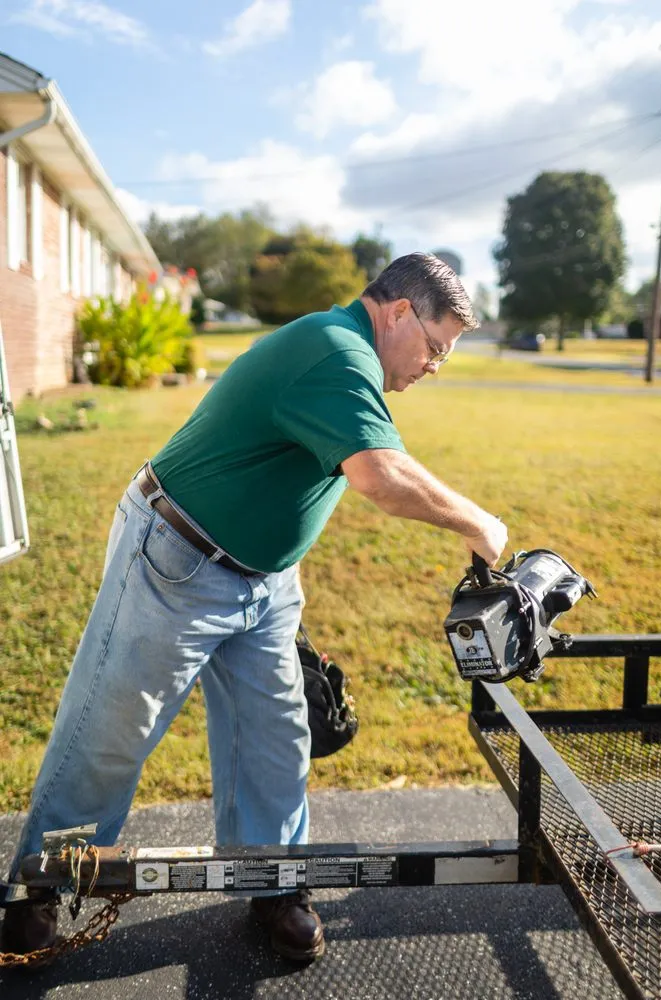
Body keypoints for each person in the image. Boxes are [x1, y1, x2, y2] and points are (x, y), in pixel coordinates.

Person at [1, 252, 507, 964]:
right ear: (398, 313)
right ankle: (40, 891)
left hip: (265, 585)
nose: (433, 366)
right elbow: (380, 475)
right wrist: (477, 523)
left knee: (274, 736)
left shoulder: (346, 354)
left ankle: (276, 883)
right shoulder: (333, 351)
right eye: (434, 348)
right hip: (176, 560)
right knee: (112, 729)